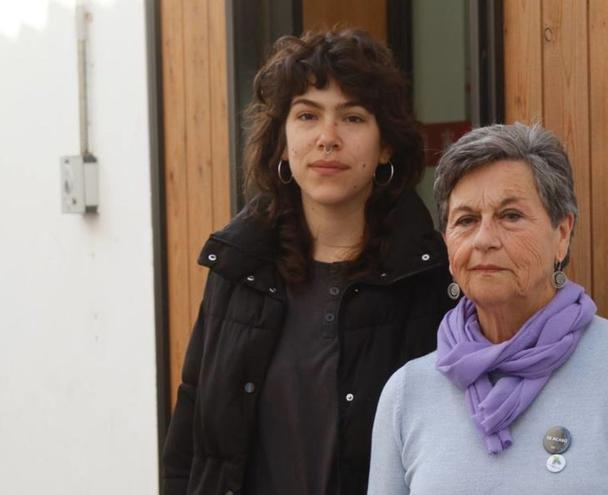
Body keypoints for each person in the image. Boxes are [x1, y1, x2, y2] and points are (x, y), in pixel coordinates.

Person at [161, 29, 454, 495]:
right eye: (307, 116)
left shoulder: (432, 281)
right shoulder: (240, 270)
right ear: (281, 140)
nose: (327, 138)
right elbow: (190, 444)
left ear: (386, 147)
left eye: (353, 117)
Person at [368, 123, 608, 494]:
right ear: (448, 248)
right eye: (466, 221)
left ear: (562, 234)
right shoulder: (408, 393)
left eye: (510, 216)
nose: (484, 239)